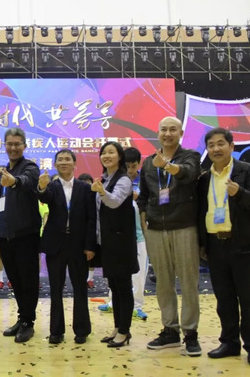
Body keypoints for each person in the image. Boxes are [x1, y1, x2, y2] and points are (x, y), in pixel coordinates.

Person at [198, 128, 250, 367]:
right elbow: (201, 212)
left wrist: (239, 193)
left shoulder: (247, 171)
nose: (216, 149)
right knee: (224, 298)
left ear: (231, 146)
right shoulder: (204, 178)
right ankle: (229, 342)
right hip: (215, 245)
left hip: (243, 245)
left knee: (249, 299)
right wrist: (202, 244)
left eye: (220, 144)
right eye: (211, 145)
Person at [136, 116, 202, 356]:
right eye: (163, 129)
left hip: (184, 226)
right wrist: (144, 217)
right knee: (163, 282)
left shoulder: (190, 156)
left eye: (173, 129)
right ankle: (170, 331)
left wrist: (167, 166)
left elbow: (189, 174)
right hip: (155, 228)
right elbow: (144, 195)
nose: (168, 133)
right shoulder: (148, 163)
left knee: (188, 281)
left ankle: (191, 333)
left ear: (181, 133)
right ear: (158, 133)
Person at [38, 149, 96, 345]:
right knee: (55, 289)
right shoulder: (51, 186)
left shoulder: (85, 188)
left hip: (78, 244)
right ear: (55, 164)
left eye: (67, 159)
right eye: (60, 159)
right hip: (56, 244)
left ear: (74, 164)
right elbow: (44, 198)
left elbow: (91, 218)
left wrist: (90, 245)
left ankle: (82, 330)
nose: (63, 162)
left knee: (80, 288)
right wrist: (42, 188)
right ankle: (56, 331)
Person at [89, 142, 138, 348]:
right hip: (108, 242)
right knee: (115, 287)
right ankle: (118, 328)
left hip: (121, 243)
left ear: (120, 157)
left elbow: (115, 202)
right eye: (104, 153)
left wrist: (101, 192)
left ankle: (125, 331)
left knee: (123, 288)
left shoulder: (124, 179)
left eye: (111, 152)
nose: (106, 156)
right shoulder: (105, 179)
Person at [0, 127, 41, 343]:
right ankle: (22, 317)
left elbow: (27, 181)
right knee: (15, 280)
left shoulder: (30, 167)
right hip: (7, 236)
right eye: (9, 144)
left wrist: (14, 181)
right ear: (4, 146)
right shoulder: (4, 170)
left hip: (26, 236)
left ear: (24, 146)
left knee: (28, 280)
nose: (13, 148)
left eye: (17, 144)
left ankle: (28, 323)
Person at [98, 147, 149, 321]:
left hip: (135, 237)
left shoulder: (138, 181)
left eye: (133, 166)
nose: (130, 169)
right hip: (113, 238)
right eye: (128, 166)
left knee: (136, 278)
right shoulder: (107, 180)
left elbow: (116, 202)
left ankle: (136, 308)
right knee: (115, 279)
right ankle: (114, 307)